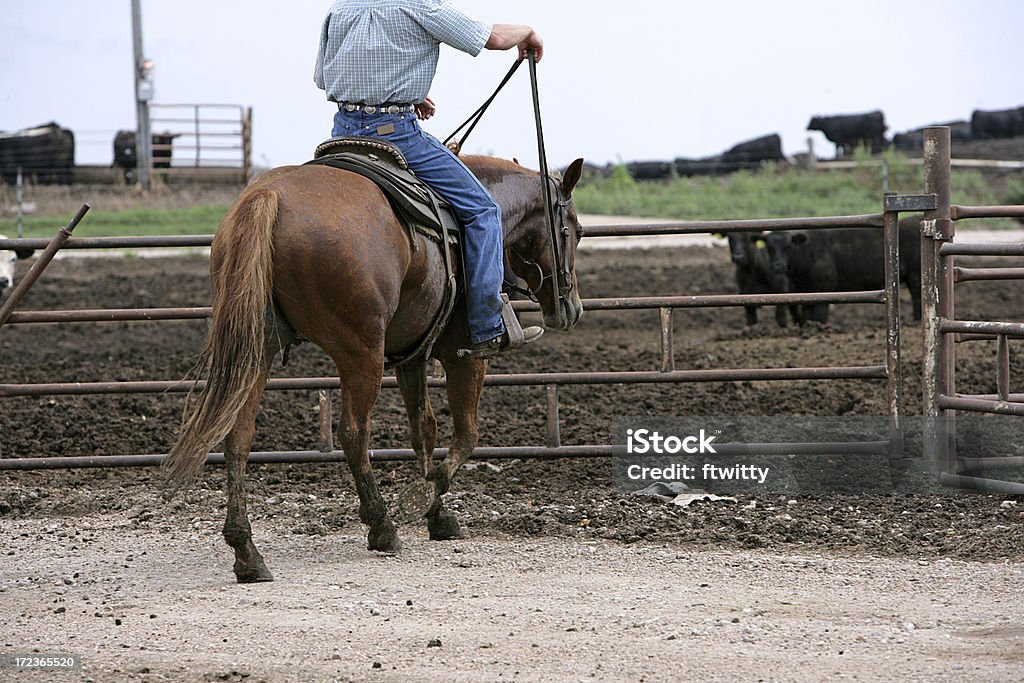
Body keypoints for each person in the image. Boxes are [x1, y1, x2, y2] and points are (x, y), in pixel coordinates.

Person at [313, 0, 546, 358]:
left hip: (342, 131)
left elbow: (325, 79)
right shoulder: (420, 4)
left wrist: (406, 90)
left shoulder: (342, 7)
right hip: (397, 135)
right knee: (483, 211)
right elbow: (494, 37)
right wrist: (527, 31)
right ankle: (486, 325)